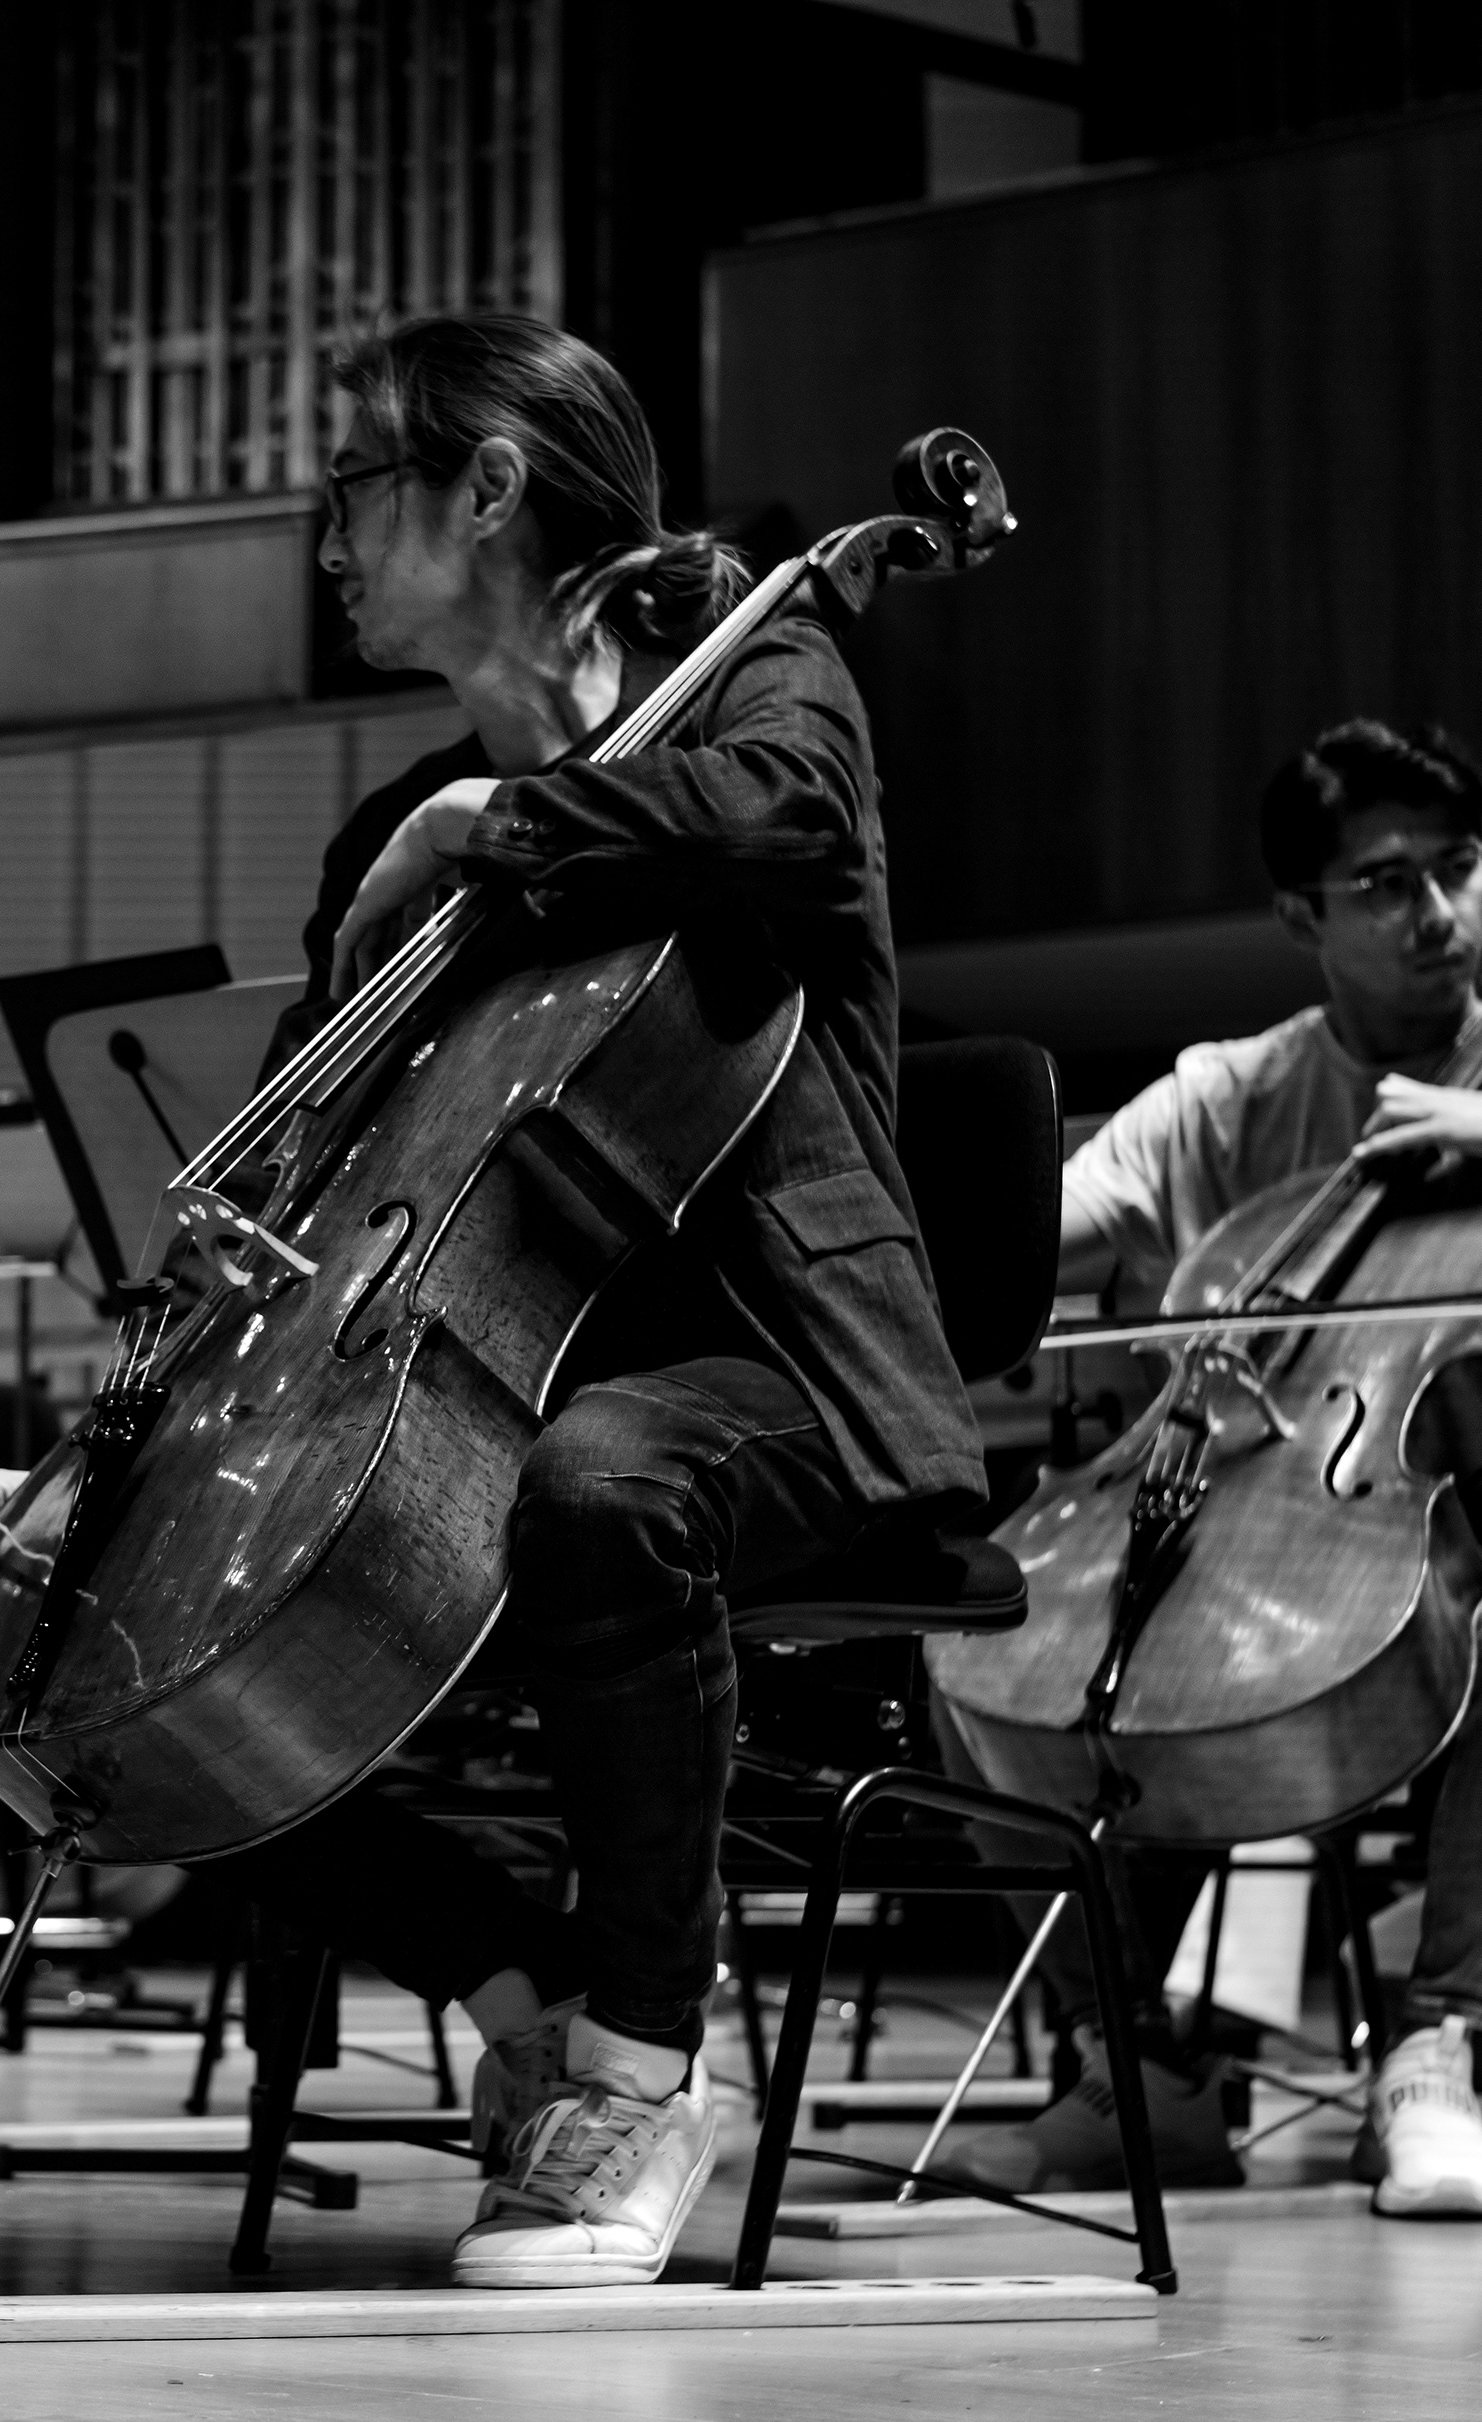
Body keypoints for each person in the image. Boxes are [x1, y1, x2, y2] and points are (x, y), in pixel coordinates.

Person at [145, 312, 989, 2287]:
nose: (326, 541)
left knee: (606, 1481)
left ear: (492, 489)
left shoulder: (759, 661)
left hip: (790, 1383)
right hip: (486, 1389)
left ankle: (642, 2067)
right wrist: (212, 1283)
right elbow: (305, 1139)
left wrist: (490, 831)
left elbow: (786, 825)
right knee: (146, 1634)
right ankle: (522, 1981)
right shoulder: (394, 834)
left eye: (353, 490)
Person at [952, 717, 1482, 2218]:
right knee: (982, 1627)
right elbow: (1023, 1247)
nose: (1438, 912)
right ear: (1303, 914)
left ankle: (1432, 2051)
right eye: (1387, 882)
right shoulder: (1229, 1096)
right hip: (1237, 1506)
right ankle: (1133, 2070)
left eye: (1459, 868)